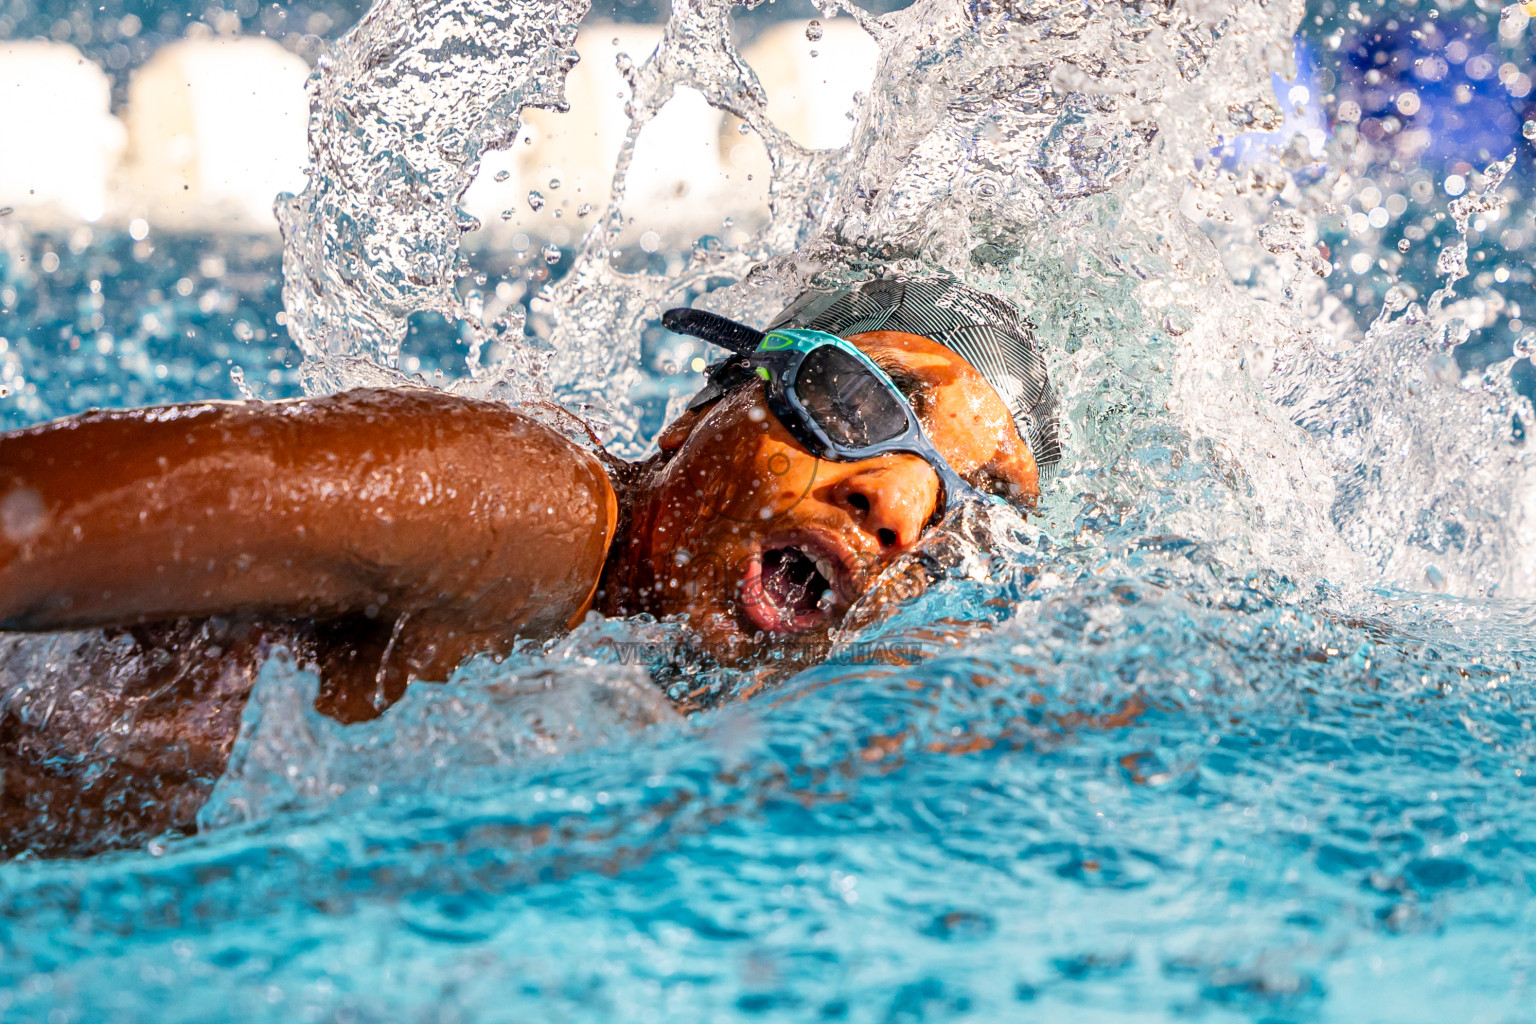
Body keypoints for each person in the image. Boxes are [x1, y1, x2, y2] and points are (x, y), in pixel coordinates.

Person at [0, 275, 1060, 856]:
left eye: (968, 522)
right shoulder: (528, 511)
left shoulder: (672, 692)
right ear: (705, 406)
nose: (895, 505)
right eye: (854, 403)